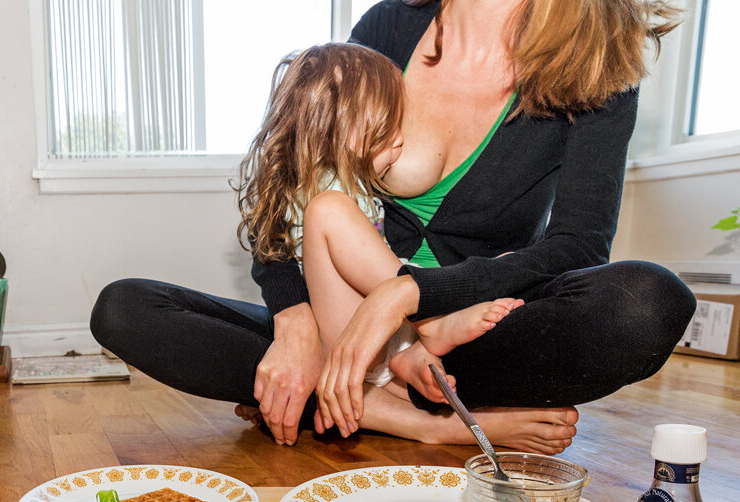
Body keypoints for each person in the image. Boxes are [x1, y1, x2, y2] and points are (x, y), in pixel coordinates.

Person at [90, 0, 693, 455]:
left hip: (465, 338)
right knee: (125, 308)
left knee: (645, 302)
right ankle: (417, 410)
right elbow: (293, 179)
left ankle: (342, 398)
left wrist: (409, 295)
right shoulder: (386, 30)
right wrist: (293, 321)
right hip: (341, 318)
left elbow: (579, 245)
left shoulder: (600, 64)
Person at [236, 42, 524, 413]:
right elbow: (273, 244)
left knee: (509, 262)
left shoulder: (357, 184)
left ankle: (419, 363)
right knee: (328, 211)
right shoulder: (315, 190)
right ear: (338, 128)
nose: (400, 139)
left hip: (383, 330)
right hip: (344, 334)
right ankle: (434, 322)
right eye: (386, 129)